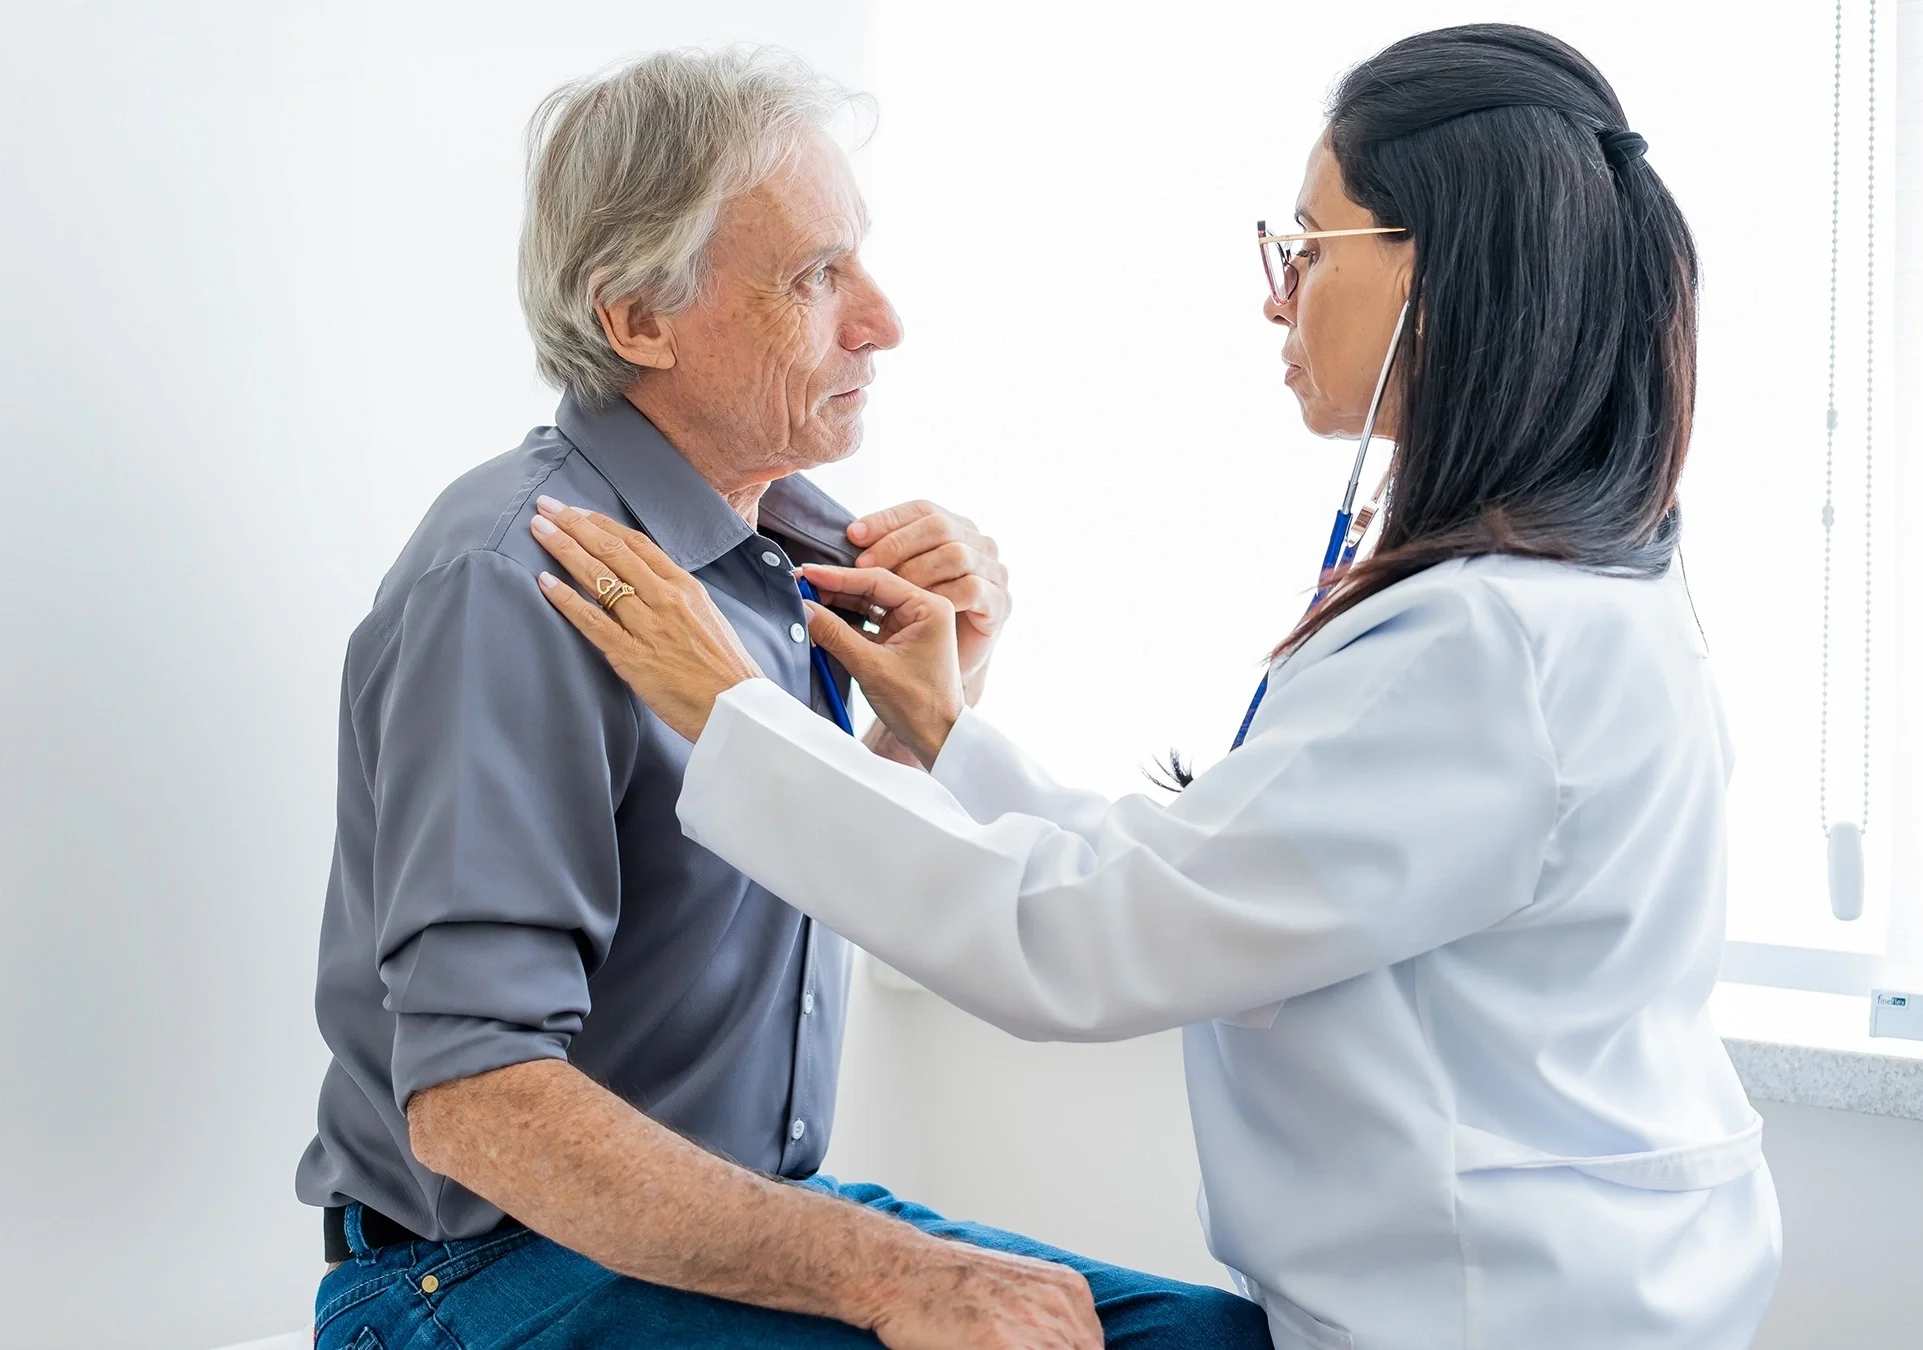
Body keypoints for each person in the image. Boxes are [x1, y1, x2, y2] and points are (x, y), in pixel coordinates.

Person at [529, 22, 1782, 1350]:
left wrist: (736, 716)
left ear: (1441, 270)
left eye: (1308, 246)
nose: (1276, 293)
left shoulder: (1492, 646)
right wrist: (945, 732)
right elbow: (1205, 881)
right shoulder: (1551, 596)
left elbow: (1092, 941)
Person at [298, 46, 1270, 1350]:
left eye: (856, 258)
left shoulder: (786, 566)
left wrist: (935, 717)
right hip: (476, 1275)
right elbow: (480, 1103)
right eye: (817, 275)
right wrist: (887, 1273)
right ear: (638, 316)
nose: (881, 318)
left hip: (711, 1215)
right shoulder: (520, 578)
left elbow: (754, 891)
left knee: (1226, 1341)